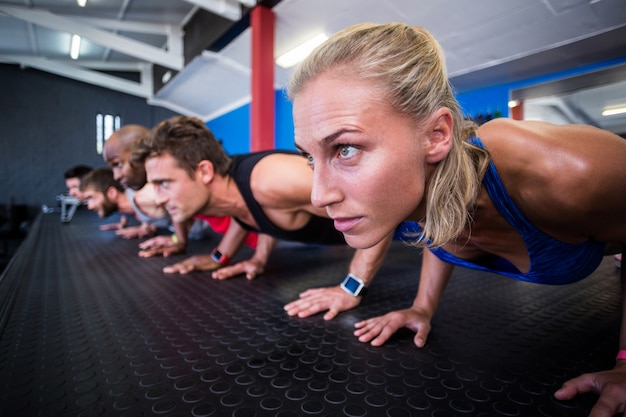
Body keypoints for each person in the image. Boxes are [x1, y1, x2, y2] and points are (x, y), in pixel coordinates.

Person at [287, 22, 626, 417]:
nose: (318, 194)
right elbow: (438, 226)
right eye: (310, 156)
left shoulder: (567, 172)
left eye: (345, 148)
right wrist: (421, 308)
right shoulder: (406, 194)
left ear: (435, 135)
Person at [132, 115, 393, 318]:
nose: (159, 197)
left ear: (204, 172)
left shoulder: (272, 180)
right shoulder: (232, 195)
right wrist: (218, 257)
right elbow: (243, 213)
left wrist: (351, 287)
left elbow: (379, 209)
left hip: (418, 225)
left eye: (164, 183)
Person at [102, 123, 257, 262]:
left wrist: (255, 259)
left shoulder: (247, 180)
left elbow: (249, 209)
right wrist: (180, 240)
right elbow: (181, 213)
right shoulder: (168, 188)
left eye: (118, 164)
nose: (116, 175)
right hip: (248, 245)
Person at [80, 167, 169, 238]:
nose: (90, 206)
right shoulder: (133, 208)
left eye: (92, 198)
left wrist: (176, 239)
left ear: (112, 193)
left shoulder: (143, 197)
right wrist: (147, 227)